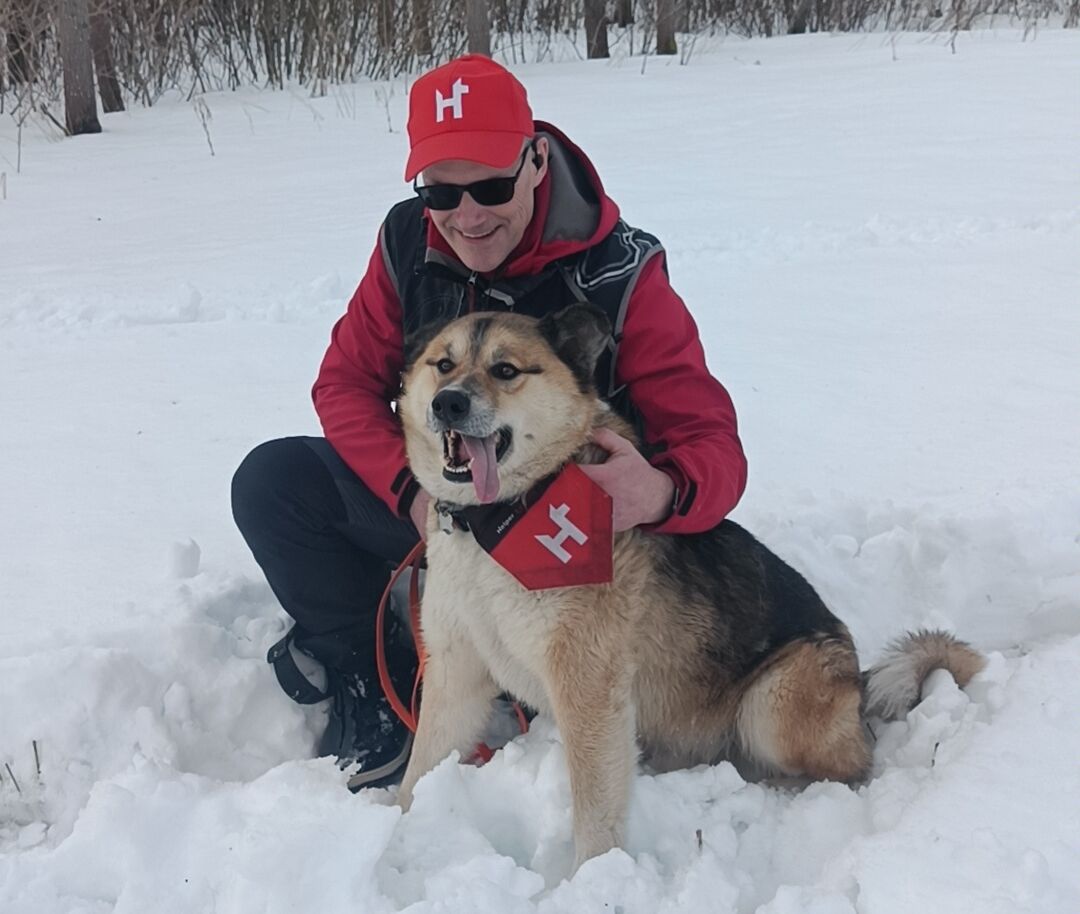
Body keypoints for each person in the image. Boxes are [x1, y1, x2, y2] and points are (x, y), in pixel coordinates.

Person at [231, 54, 748, 790]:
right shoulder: (408, 239)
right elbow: (343, 382)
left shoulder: (619, 272)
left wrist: (661, 492)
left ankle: (519, 672)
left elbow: (714, 445)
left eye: (493, 187)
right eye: (442, 191)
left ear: (535, 161)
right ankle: (369, 670)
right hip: (447, 510)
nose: (468, 216)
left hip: (570, 539)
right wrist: (411, 495)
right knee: (274, 484)